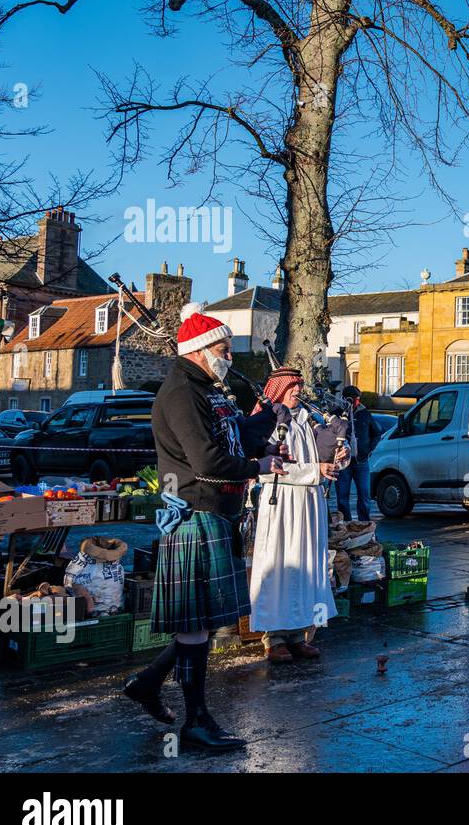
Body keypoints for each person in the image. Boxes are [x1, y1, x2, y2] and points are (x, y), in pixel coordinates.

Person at [121, 304, 286, 751]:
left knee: (203, 624)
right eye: (224, 347)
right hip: (195, 513)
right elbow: (208, 462)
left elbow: (238, 438)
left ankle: (149, 684)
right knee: (196, 628)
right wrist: (259, 466)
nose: (229, 355)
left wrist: (273, 410)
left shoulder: (209, 390)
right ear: (198, 349)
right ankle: (195, 723)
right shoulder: (181, 393)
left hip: (217, 514)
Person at [250, 368, 345, 664]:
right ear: (279, 389)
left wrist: (336, 460)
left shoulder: (307, 419)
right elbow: (266, 468)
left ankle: (298, 634)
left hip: (308, 503)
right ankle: (273, 637)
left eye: (300, 386)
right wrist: (313, 471)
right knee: (279, 566)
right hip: (281, 505)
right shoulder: (268, 422)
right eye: (293, 386)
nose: (297, 391)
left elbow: (319, 457)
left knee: (305, 567)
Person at [335, 385, 383, 522]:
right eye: (353, 399)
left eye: (357, 399)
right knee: (342, 495)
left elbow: (376, 433)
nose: (356, 402)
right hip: (343, 463)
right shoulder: (337, 414)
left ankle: (364, 524)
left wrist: (369, 449)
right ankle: (346, 523)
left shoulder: (365, 413)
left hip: (361, 461)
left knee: (364, 494)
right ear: (345, 399)